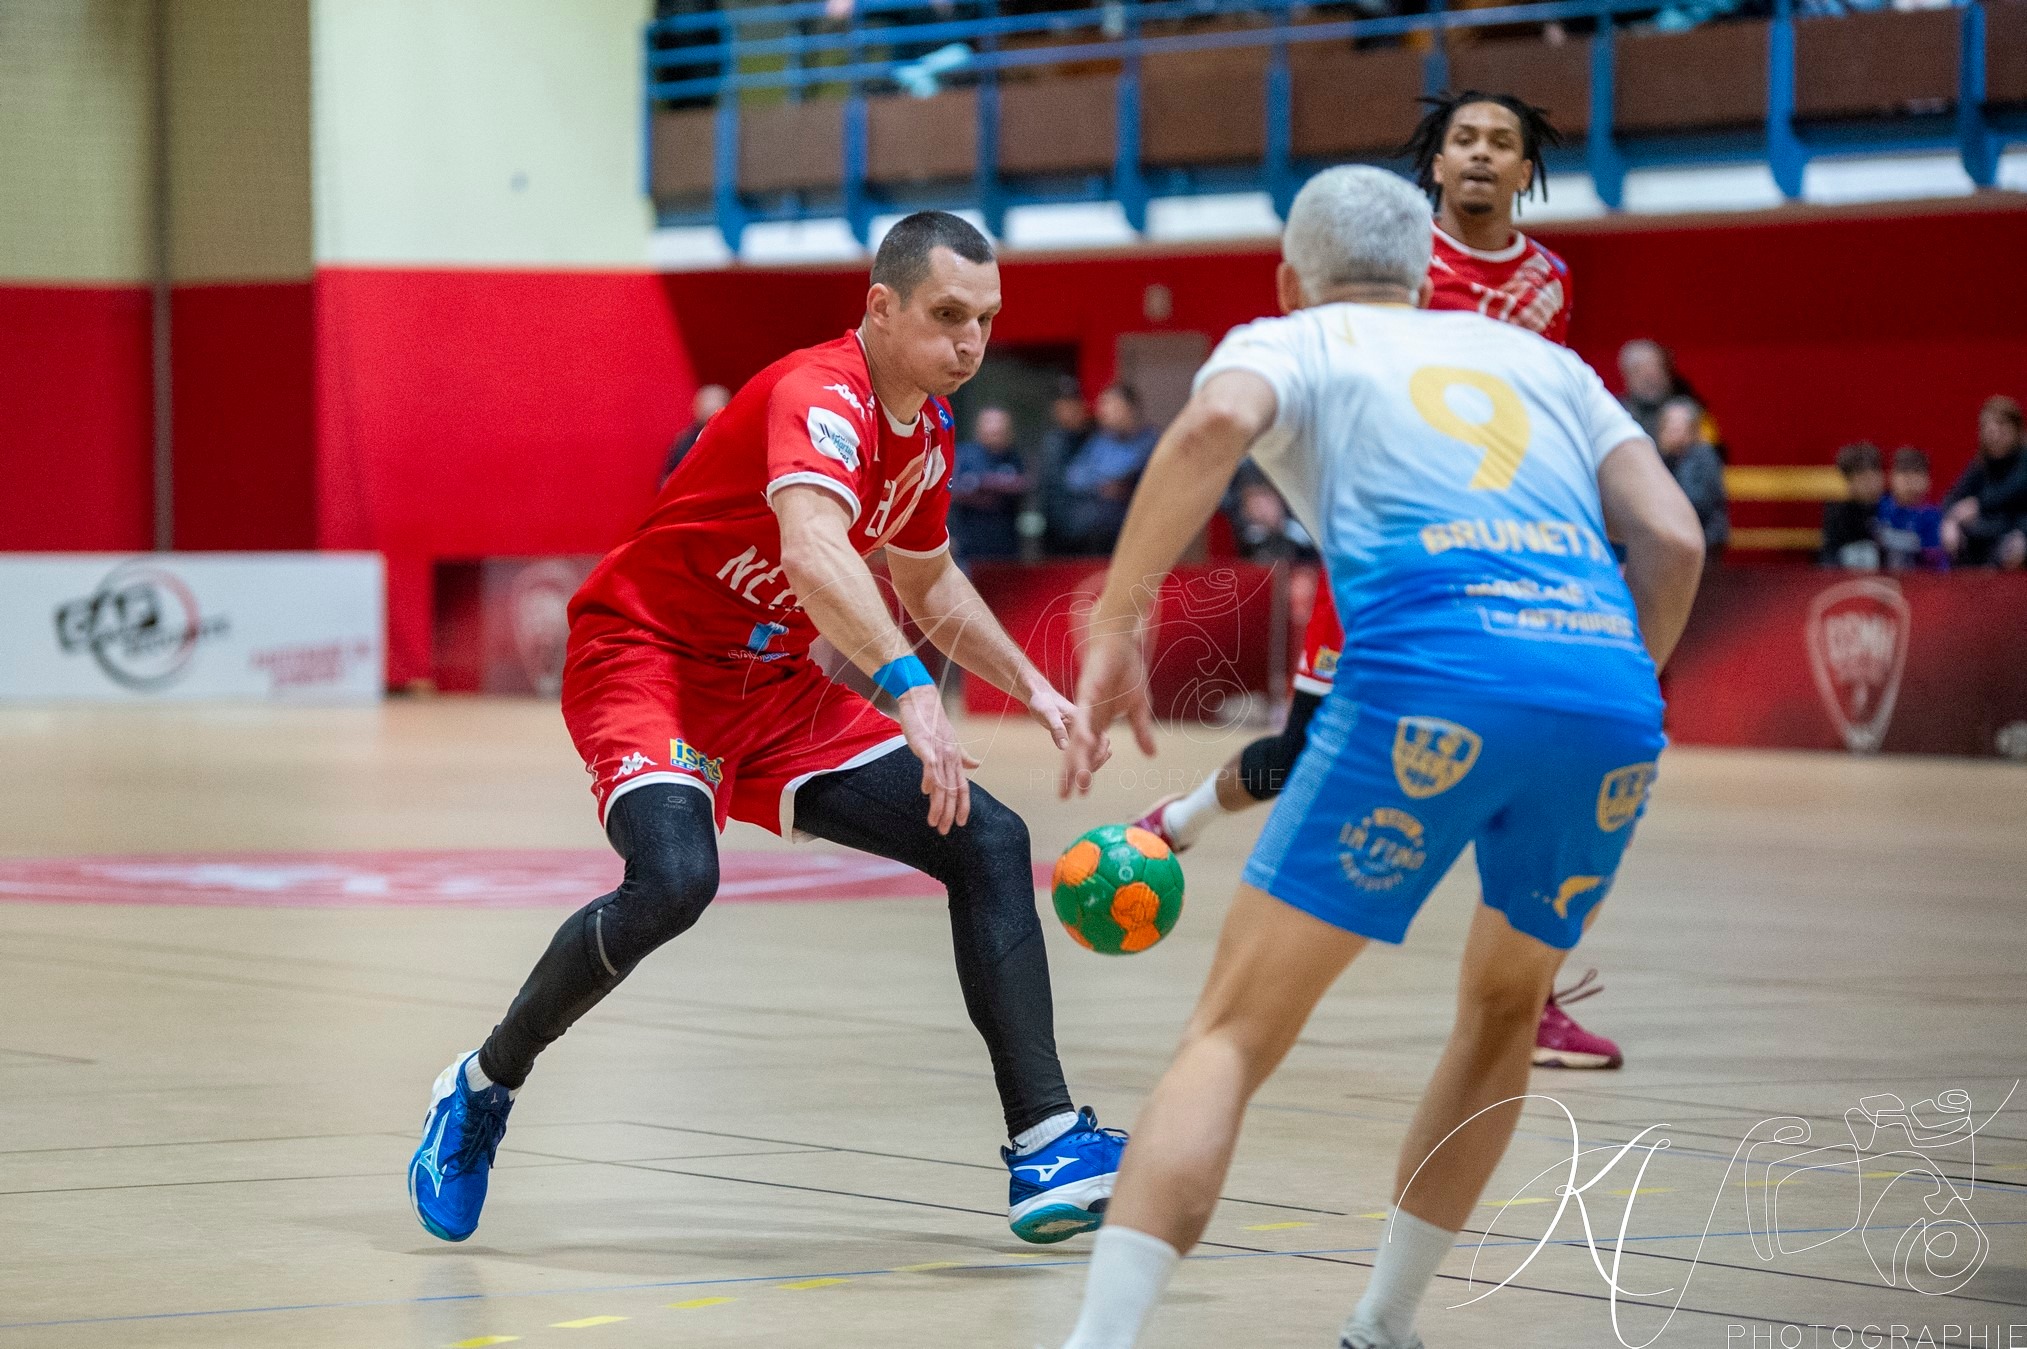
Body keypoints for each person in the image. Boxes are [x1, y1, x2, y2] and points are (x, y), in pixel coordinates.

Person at [1054, 164, 1705, 1349]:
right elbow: (1668, 534)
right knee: (1504, 1010)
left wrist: (1115, 624)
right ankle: (1383, 1323)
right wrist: (1602, 685)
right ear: (1423, 270)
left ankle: (1095, 1341)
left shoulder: (1291, 338)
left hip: (1427, 680)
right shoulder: (1551, 366)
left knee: (1230, 1034)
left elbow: (1207, 426)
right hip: (1605, 690)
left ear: (1288, 275)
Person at [406, 212, 1127, 1249]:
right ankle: (480, 1084)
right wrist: (910, 690)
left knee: (991, 841)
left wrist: (1033, 686)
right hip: (646, 658)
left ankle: (1046, 1138)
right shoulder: (817, 393)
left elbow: (926, 579)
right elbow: (811, 551)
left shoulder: (924, 431)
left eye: (984, 320)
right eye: (946, 315)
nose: (970, 342)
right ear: (880, 307)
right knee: (674, 880)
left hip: (771, 687)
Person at [1133, 92, 1626, 1072]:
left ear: (1527, 172)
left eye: (1502, 145)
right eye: (1462, 141)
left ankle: (1525, 996)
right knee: (1308, 747)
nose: (1481, 157)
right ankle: (1179, 828)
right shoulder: (1394, 261)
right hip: (1390, 557)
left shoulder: (1546, 283)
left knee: (1540, 767)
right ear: (1432, 167)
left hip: (1502, 562)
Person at [1053, 384, 1158, 554]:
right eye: (1102, 405)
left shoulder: (1149, 441)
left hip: (1136, 534)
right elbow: (1074, 479)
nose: (1103, 412)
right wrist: (1102, 484)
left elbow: (1124, 471)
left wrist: (1108, 479)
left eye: (1110, 405)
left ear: (1130, 408)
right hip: (1097, 538)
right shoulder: (1099, 441)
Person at [1941, 395, 2027, 570]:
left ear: (2017, 429)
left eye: (2001, 425)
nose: (1994, 433)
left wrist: (1979, 504)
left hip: (2016, 535)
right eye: (1988, 427)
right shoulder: (1981, 464)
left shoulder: (2024, 461)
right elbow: (1952, 499)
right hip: (1985, 538)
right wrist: (1950, 521)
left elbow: (2012, 491)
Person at [948, 405, 1031, 564]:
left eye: (1000, 427)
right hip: (968, 546)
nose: (995, 430)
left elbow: (1024, 486)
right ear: (979, 428)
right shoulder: (965, 455)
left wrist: (981, 483)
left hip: (1006, 547)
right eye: (990, 425)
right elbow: (955, 491)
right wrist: (997, 487)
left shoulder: (1014, 457)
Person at [1655, 395, 1729, 554]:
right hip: (1669, 544)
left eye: (1678, 426)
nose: (1672, 431)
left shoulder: (1705, 457)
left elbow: (1698, 503)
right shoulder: (1657, 458)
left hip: (1704, 541)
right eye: (1668, 425)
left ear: (1691, 429)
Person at [1039, 381, 1095, 556]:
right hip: (1056, 531)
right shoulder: (1052, 442)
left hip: (1091, 531)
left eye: (1072, 406)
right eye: (1062, 407)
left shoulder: (1095, 437)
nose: (1067, 412)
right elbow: (1050, 489)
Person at [1875, 447, 1947, 572]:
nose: (1910, 481)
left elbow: (1934, 562)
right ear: (1891, 477)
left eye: (1917, 474)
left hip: (1921, 582)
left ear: (1928, 481)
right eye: (1904, 474)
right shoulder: (1878, 507)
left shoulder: (1931, 516)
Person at [1820, 441, 1885, 569]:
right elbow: (1830, 555)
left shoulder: (1889, 507)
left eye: (1875, 474)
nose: (1871, 483)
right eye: (1863, 478)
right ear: (1848, 481)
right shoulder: (1838, 512)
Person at [661, 383, 731, 482]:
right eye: (706, 408)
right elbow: (666, 481)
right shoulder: (684, 444)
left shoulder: (734, 441)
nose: (710, 414)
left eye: (715, 408)